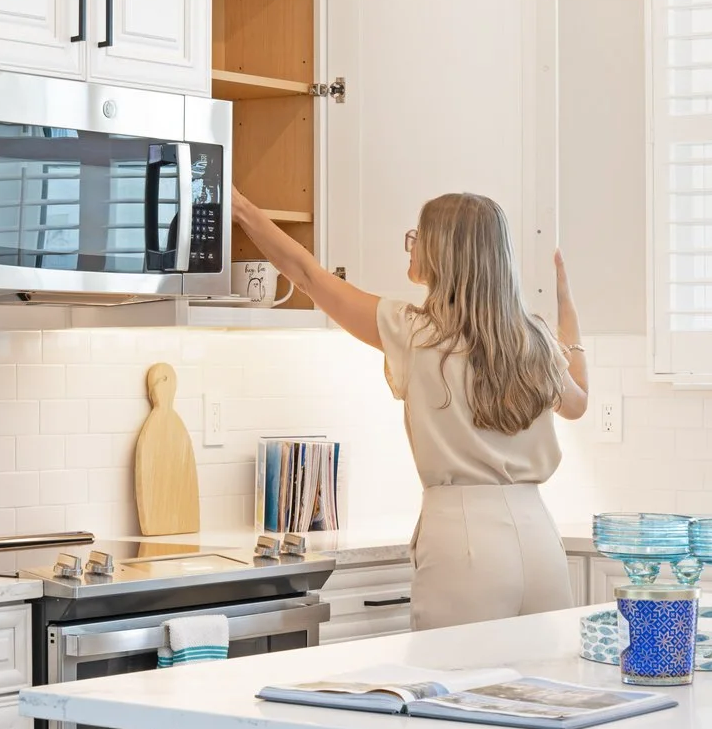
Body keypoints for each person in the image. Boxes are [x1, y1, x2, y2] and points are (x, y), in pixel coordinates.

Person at [231, 189, 586, 631]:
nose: (412, 244)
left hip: (464, 539)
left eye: (419, 236)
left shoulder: (415, 332)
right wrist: (567, 305)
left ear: (443, 251)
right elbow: (578, 402)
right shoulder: (532, 339)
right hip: (541, 543)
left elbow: (307, 275)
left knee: (449, 688)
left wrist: (242, 207)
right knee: (540, 694)